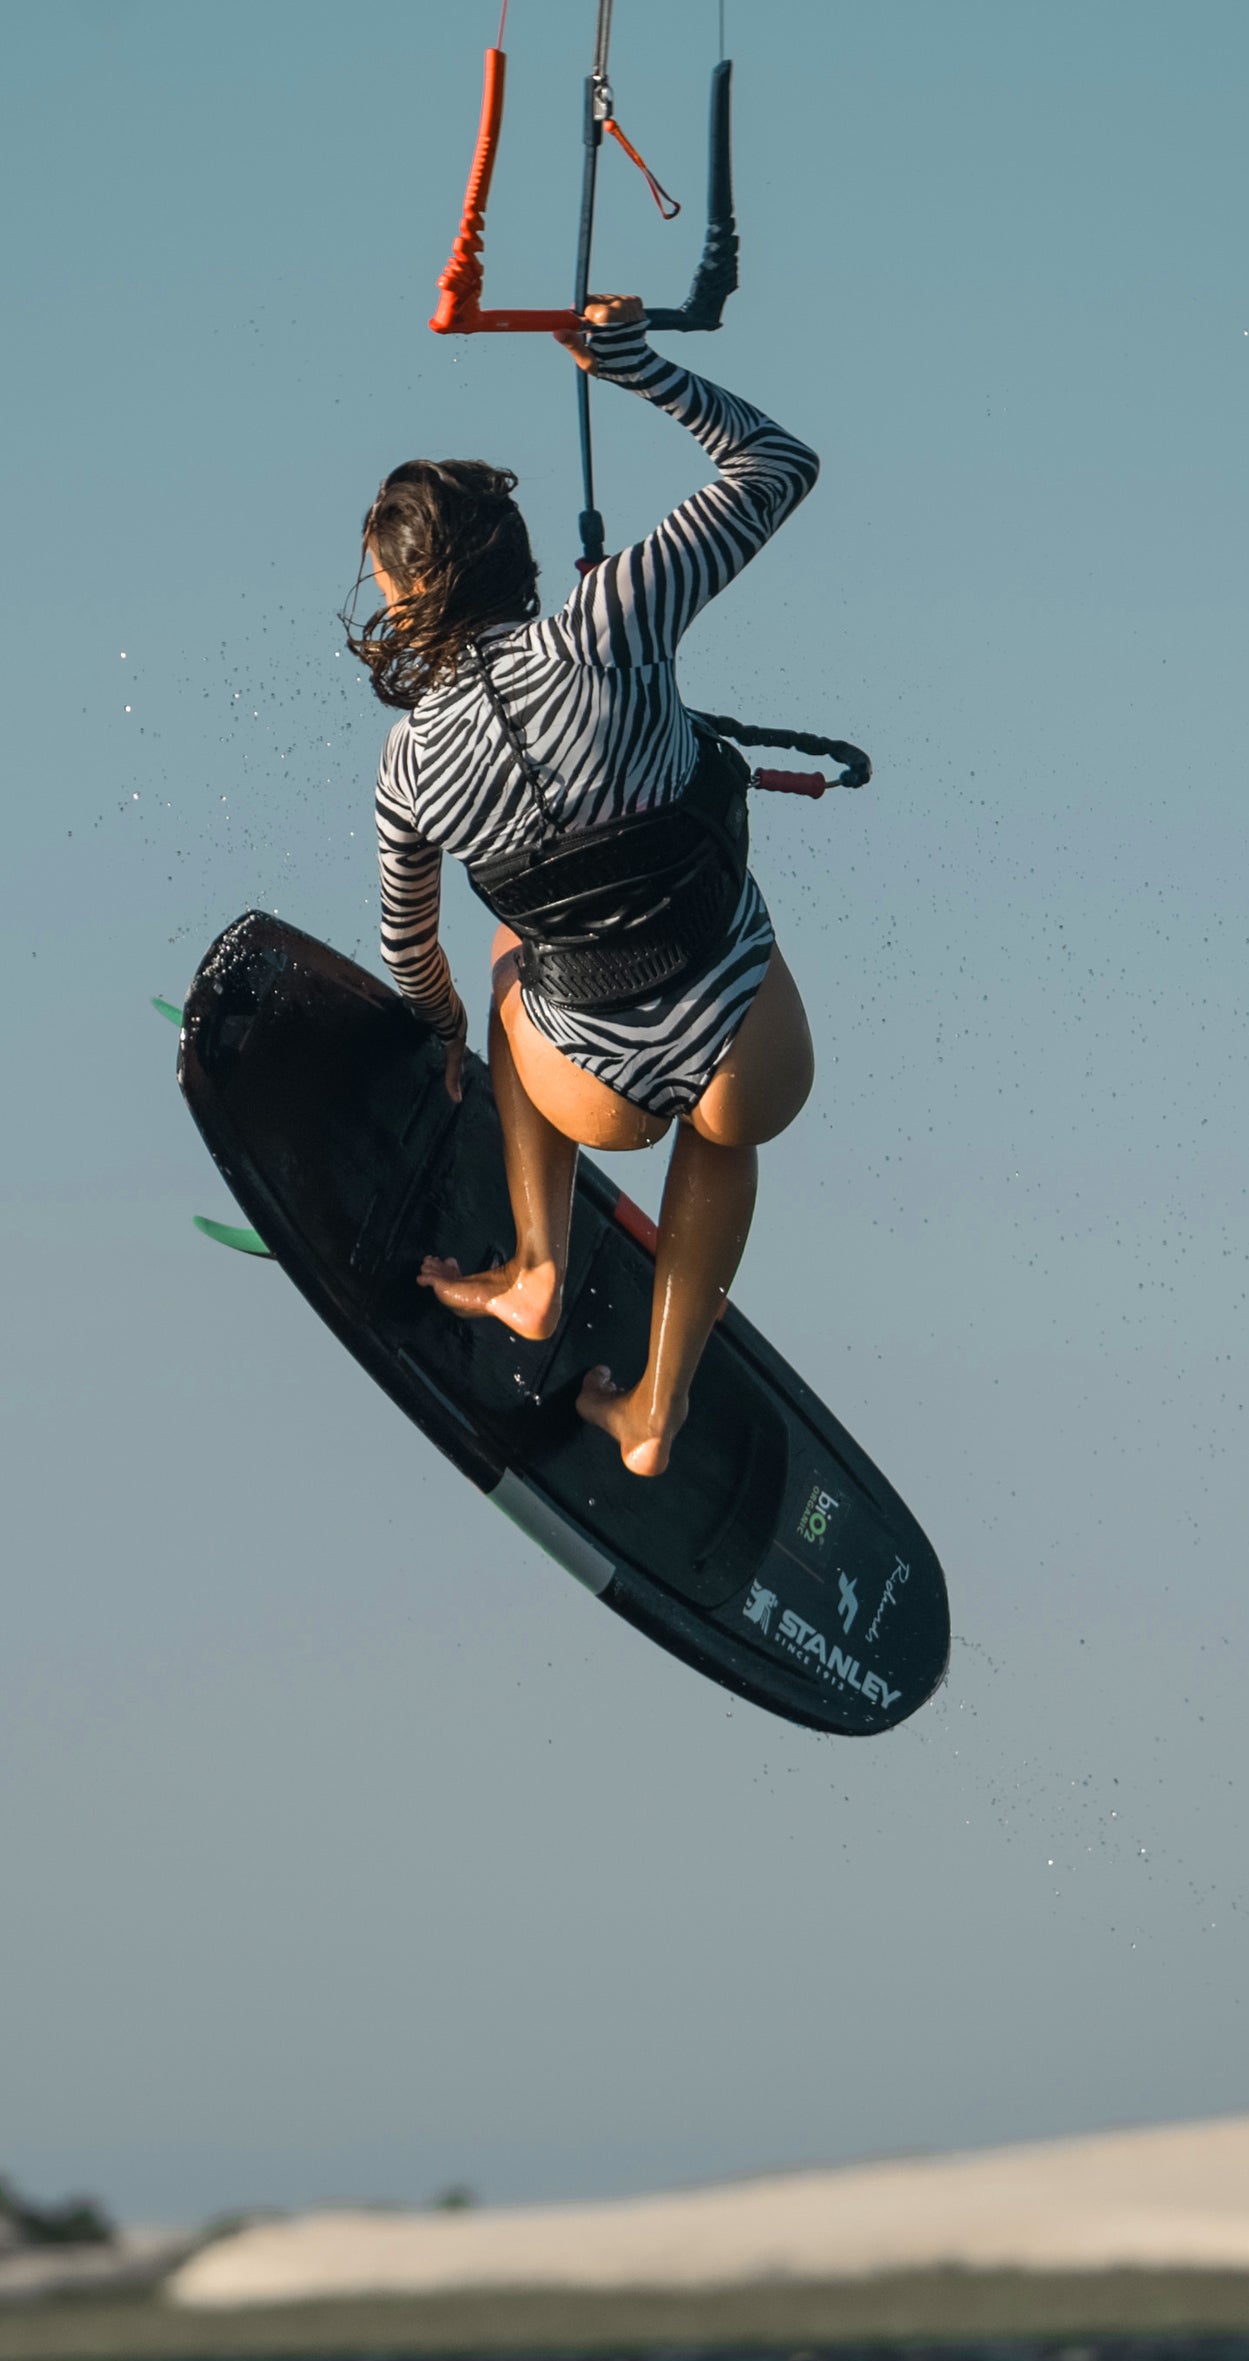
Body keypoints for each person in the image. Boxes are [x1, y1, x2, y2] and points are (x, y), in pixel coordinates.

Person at [349, 298, 820, 1478]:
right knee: (720, 1125)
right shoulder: (614, 614)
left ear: (411, 605)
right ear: (512, 557)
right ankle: (655, 1408)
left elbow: (411, 952)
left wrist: (445, 1029)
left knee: (515, 961)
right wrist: (636, 368)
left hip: (587, 1088)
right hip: (751, 1060)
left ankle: (535, 1270)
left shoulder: (408, 768)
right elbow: (779, 463)